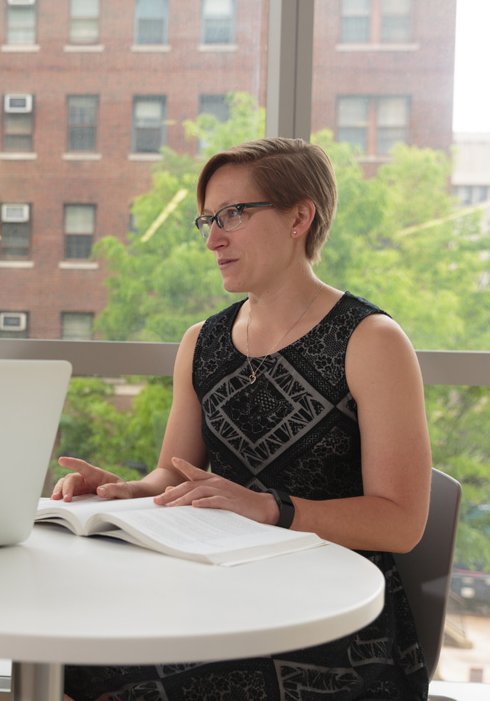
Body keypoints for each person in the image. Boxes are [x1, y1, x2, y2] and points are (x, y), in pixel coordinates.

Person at [52, 137, 432, 701]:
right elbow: (174, 476)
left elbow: (401, 522)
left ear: (300, 216)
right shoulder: (200, 341)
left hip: (334, 622)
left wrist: (273, 510)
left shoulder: (372, 340)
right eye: (207, 219)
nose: (213, 239)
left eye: (233, 214)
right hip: (217, 590)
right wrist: (123, 489)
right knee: (78, 662)